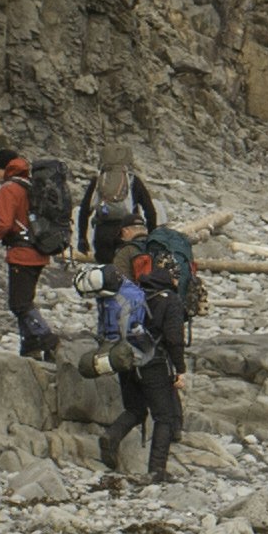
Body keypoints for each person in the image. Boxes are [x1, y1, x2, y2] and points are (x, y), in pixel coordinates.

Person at [97, 251, 184, 484]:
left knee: (135, 410)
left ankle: (111, 436)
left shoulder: (136, 292)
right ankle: (156, 470)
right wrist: (180, 369)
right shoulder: (170, 299)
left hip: (125, 358)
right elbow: (174, 339)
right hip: (153, 363)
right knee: (164, 417)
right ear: (173, 277)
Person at [0, 145, 61, 357]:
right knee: (25, 300)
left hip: (22, 253)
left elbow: (4, 225)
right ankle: (31, 348)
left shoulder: (9, 189)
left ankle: (49, 340)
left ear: (3, 168)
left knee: (19, 304)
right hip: (40, 250)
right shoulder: (30, 183)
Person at [86, 155, 157, 283]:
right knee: (128, 275)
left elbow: (85, 210)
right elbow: (150, 210)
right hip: (128, 234)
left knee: (105, 276)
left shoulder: (99, 181)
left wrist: (82, 238)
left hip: (103, 233)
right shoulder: (133, 181)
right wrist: (150, 236)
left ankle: (106, 294)